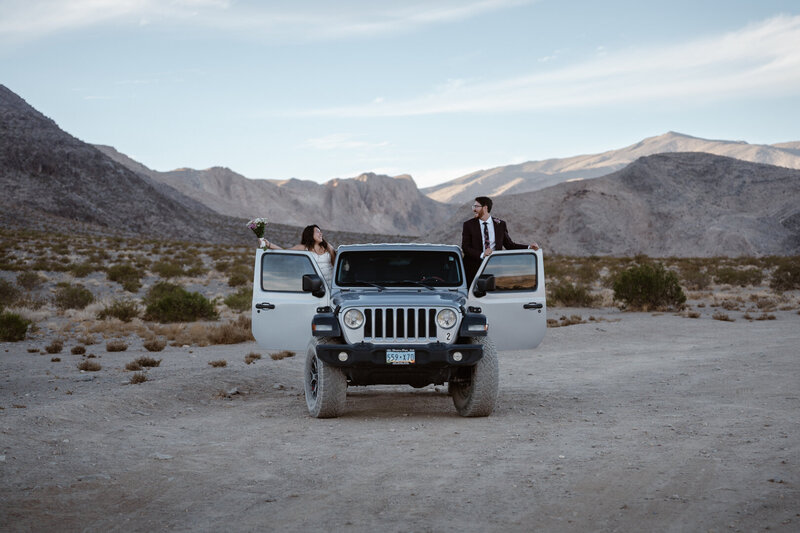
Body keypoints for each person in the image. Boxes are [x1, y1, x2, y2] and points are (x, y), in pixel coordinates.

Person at [461, 196, 539, 286]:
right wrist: (482, 254)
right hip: (472, 270)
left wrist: (529, 247)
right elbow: (465, 247)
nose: (474, 209)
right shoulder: (468, 225)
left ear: (485, 208)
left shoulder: (500, 224)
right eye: (473, 207)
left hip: (494, 270)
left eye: (476, 206)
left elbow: (509, 245)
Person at [262, 225, 336, 285]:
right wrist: (270, 245)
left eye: (320, 232)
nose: (321, 234)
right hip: (316, 286)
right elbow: (285, 252)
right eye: (317, 232)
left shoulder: (327, 246)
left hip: (332, 284)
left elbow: (336, 262)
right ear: (310, 234)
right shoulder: (303, 247)